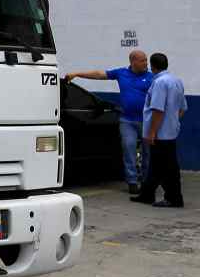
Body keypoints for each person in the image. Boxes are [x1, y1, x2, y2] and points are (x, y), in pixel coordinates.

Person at [66, 50, 154, 194]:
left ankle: (146, 181)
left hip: (147, 121)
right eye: (142, 60)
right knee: (128, 148)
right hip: (127, 121)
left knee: (148, 152)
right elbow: (99, 74)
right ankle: (132, 181)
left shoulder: (151, 77)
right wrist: (77, 74)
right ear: (133, 62)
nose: (146, 63)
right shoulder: (121, 73)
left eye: (146, 60)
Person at [132, 53, 187, 208]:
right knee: (157, 166)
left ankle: (174, 198)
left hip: (160, 134)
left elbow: (158, 109)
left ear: (152, 66)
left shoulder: (159, 83)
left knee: (167, 168)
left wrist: (152, 132)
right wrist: (173, 121)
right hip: (170, 132)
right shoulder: (176, 81)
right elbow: (182, 108)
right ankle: (147, 194)